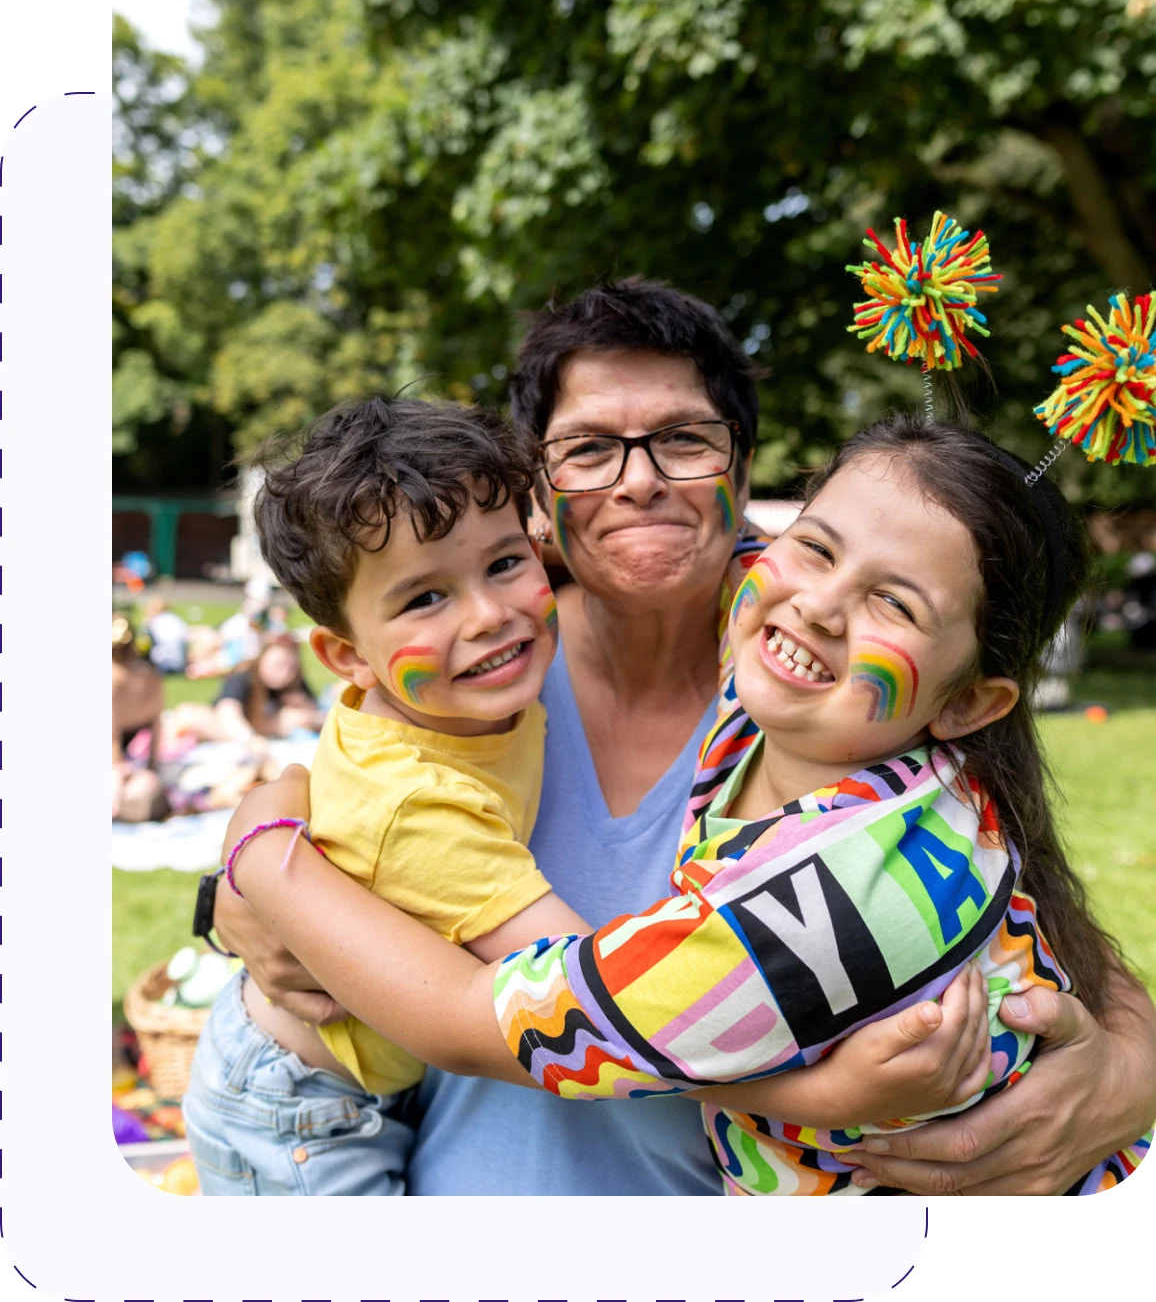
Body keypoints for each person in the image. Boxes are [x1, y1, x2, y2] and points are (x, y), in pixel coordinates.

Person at [213, 278, 1156, 1195]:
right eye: (588, 449)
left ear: (742, 468)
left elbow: (1013, 900)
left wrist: (1133, 1074)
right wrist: (246, 860)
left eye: (683, 440)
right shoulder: (476, 674)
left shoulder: (810, 683)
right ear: (535, 491)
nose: (640, 482)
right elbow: (354, 800)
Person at [182, 398, 590, 1194]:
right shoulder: (416, 808)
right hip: (296, 1108)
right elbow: (592, 993)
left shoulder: (461, 679)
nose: (489, 616)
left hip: (366, 1077)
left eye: (505, 564)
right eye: (423, 599)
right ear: (346, 656)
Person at [168, 634, 325, 752]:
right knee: (190, 714)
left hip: (262, 729)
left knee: (295, 718)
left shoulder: (294, 683)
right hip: (233, 728)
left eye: (290, 668)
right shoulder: (244, 675)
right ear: (262, 658)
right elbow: (228, 711)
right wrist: (251, 739)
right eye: (278, 665)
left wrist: (304, 708)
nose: (283, 673)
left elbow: (316, 715)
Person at [111, 613, 169, 822]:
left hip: (122, 755)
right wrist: (153, 766)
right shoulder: (152, 675)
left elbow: (112, 739)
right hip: (137, 751)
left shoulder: (113, 677)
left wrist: (119, 771)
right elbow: (156, 724)